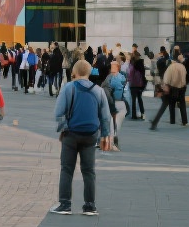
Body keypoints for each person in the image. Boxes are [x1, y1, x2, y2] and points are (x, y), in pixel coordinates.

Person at [50, 59, 112, 216]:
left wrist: (62, 128)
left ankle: (65, 204)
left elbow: (58, 112)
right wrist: (104, 135)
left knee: (67, 169)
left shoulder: (68, 88)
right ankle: (90, 206)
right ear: (89, 73)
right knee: (89, 171)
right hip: (90, 135)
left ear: (74, 72)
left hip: (71, 134)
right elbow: (105, 116)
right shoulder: (98, 90)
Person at [149, 55, 188, 129]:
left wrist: (165, 89)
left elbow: (166, 80)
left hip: (172, 88)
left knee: (164, 106)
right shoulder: (183, 67)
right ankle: (184, 121)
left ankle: (156, 121)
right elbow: (185, 78)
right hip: (181, 88)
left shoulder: (170, 68)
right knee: (182, 104)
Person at [126, 53, 146, 119]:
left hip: (133, 85)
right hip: (140, 84)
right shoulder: (141, 65)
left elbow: (130, 75)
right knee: (140, 99)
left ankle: (134, 115)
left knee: (133, 100)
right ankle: (142, 113)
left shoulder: (132, 66)